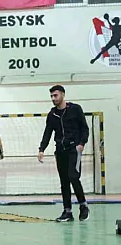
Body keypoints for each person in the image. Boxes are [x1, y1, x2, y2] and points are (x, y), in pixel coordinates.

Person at [38, 85, 90, 222]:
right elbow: (47, 132)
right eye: (51, 96)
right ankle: (67, 211)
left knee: (73, 176)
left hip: (74, 149)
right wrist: (41, 149)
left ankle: (83, 206)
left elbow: (84, 128)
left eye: (55, 95)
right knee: (64, 181)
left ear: (63, 95)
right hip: (60, 151)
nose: (53, 98)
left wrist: (81, 144)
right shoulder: (52, 114)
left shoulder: (75, 109)